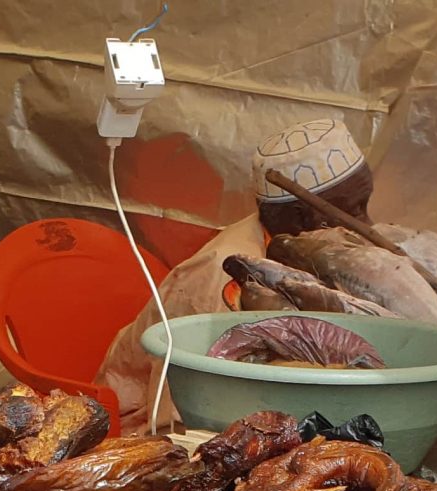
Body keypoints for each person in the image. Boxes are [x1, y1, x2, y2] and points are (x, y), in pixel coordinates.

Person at [93, 117, 373, 432]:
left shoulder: (305, 245)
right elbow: (184, 421)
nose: (368, 225)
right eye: (355, 211)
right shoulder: (223, 277)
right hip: (147, 427)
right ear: (302, 216)